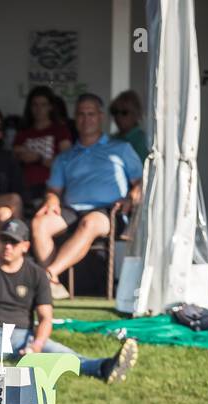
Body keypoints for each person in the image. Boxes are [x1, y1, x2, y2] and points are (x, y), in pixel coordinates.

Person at [0, 217, 137, 383]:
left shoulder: (37, 274)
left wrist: (37, 344)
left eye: (14, 242)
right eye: (4, 240)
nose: (7, 246)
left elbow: (46, 317)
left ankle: (103, 367)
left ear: (25, 246)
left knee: (61, 353)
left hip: (23, 335)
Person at [32, 93, 142, 299]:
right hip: (72, 210)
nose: (86, 119)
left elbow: (142, 182)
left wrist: (131, 197)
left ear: (101, 117)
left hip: (109, 211)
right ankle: (53, 285)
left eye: (91, 114)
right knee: (40, 223)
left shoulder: (121, 148)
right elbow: (54, 191)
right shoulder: (65, 156)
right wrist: (51, 200)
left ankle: (48, 275)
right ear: (75, 118)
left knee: (89, 223)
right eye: (81, 114)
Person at [12, 86, 72, 206]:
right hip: (24, 186)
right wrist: (20, 156)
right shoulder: (23, 133)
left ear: (50, 107)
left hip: (49, 187)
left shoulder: (60, 131)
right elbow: (12, 159)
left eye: (43, 105)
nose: (38, 109)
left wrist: (39, 159)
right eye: (35, 105)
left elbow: (67, 162)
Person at [109, 90, 149, 161]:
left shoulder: (142, 140)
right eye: (115, 112)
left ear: (136, 114)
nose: (118, 117)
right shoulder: (112, 139)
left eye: (124, 112)